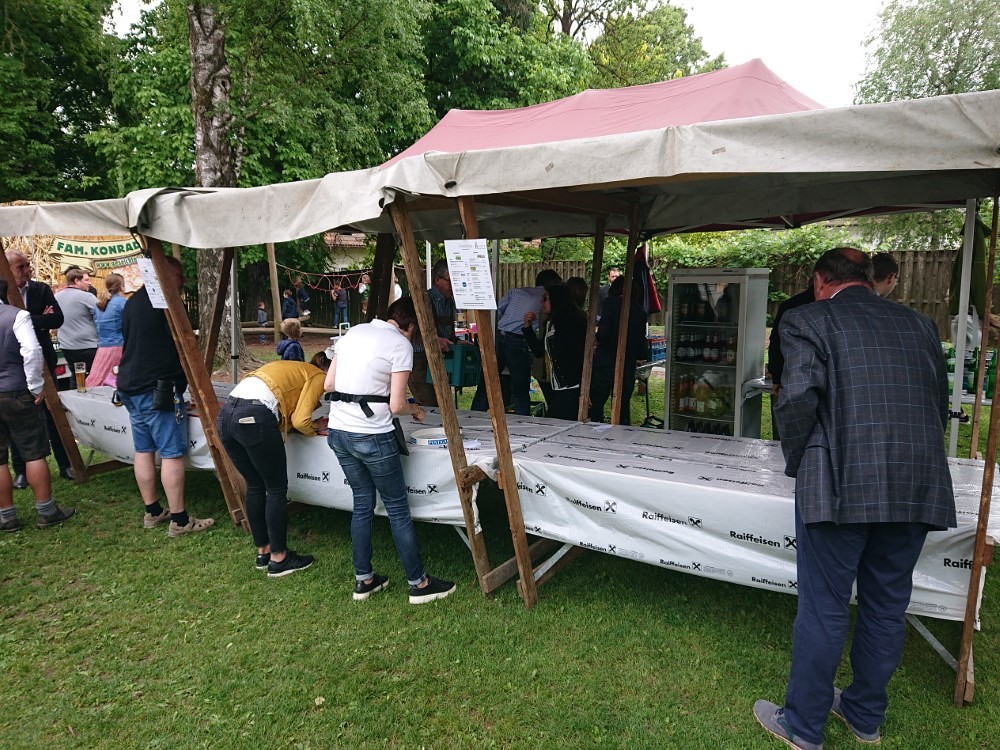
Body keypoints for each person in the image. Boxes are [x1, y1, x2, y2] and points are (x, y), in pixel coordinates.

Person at [754, 247, 956, 750]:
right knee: (887, 604)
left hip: (839, 481)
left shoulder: (807, 319)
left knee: (824, 605)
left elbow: (795, 399)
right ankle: (865, 716)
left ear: (820, 281)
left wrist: (802, 460)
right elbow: (936, 401)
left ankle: (803, 725)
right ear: (870, 278)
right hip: (915, 481)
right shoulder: (921, 326)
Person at [324, 297, 456, 604]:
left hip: (339, 431)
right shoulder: (400, 344)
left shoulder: (354, 332)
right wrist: (416, 409)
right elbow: (397, 405)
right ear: (411, 325)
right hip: (372, 436)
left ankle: (364, 579)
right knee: (397, 509)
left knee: (362, 505)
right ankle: (419, 584)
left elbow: (330, 383)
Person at [116, 255, 214, 537]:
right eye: (178, 276)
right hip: (157, 388)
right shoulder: (164, 302)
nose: (182, 281)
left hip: (131, 384)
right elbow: (184, 342)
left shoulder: (133, 302)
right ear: (161, 274)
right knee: (171, 454)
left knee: (143, 450)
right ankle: (180, 520)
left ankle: (153, 510)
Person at [217, 358, 329, 576]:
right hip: (255, 415)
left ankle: (264, 551)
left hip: (227, 414)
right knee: (276, 488)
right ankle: (279, 559)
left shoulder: (292, 368)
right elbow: (301, 420)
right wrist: (315, 428)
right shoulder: (318, 376)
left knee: (255, 485)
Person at [0, 278, 75, 532]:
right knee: (34, 452)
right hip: (17, 390)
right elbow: (32, 350)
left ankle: (6, 516)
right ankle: (46, 510)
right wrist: (35, 385)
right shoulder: (17, 316)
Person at [4, 249, 74, 485]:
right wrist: (36, 319)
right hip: (13, 364)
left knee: (53, 414)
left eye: (27, 265)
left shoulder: (39, 289)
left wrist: (23, 319)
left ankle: (65, 464)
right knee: (17, 418)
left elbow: (57, 319)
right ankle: (21, 471)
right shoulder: (2, 292)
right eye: (20, 267)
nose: (27, 270)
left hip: (43, 361)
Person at [471, 269, 562, 415]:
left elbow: (497, 312)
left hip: (498, 337)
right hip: (518, 340)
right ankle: (522, 420)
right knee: (520, 390)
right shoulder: (548, 297)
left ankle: (474, 416)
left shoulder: (515, 291)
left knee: (486, 385)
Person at [523, 283, 588, 421]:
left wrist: (585, 390)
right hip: (556, 385)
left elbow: (580, 356)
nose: (541, 302)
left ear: (557, 299)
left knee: (556, 421)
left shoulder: (574, 321)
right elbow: (539, 351)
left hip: (572, 385)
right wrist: (528, 328)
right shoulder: (550, 323)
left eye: (545, 298)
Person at [588, 276, 648, 425]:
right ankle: (621, 433)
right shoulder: (640, 311)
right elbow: (641, 346)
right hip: (627, 364)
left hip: (606, 363)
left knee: (596, 405)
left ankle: (593, 431)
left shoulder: (611, 303)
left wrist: (596, 338)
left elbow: (603, 333)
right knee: (622, 407)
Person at [767, 282, 816, 442]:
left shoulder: (790, 305)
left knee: (786, 433)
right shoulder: (832, 307)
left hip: (790, 377)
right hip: (819, 380)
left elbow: (776, 342)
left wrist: (776, 375)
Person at [408, 260, 457, 407]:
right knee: (429, 406)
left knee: (444, 404)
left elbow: (445, 330)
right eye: (450, 281)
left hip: (439, 360)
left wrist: (455, 341)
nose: (453, 286)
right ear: (437, 280)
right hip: (420, 360)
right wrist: (434, 340)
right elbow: (412, 332)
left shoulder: (450, 301)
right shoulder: (423, 301)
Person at [56, 267, 99, 376]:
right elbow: (103, 314)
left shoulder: (57, 297)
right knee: (92, 377)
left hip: (67, 347)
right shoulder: (86, 297)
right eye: (86, 280)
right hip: (88, 346)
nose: (89, 283)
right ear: (76, 281)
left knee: (77, 376)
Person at [86, 272, 126, 388]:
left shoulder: (99, 304)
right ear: (122, 286)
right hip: (119, 345)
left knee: (98, 378)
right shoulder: (122, 303)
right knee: (115, 380)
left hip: (103, 347)